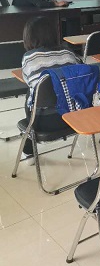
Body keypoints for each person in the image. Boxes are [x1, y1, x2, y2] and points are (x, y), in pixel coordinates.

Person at [20, 16, 81, 159]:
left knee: (32, 92)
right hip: (75, 117)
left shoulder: (29, 58)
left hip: (44, 123)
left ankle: (29, 150)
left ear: (29, 37)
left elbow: (28, 81)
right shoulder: (69, 53)